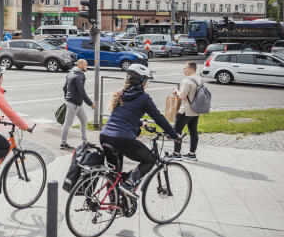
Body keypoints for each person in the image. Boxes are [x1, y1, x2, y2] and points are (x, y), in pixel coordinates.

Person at [100, 64, 179, 197]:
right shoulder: (144, 98)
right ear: (142, 80)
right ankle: (129, 183)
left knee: (114, 172)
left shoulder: (122, 93)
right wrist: (174, 134)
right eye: (146, 80)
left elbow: (123, 116)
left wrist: (140, 122)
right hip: (122, 138)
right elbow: (159, 118)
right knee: (150, 160)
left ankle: (113, 204)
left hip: (105, 135)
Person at [60, 59, 95, 150]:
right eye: (86, 65)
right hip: (74, 103)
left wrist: (67, 98)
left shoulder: (70, 73)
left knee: (84, 120)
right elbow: (81, 91)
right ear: (80, 65)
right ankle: (63, 143)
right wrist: (90, 103)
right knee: (68, 123)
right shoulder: (79, 76)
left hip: (75, 103)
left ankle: (85, 141)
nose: (87, 67)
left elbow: (64, 88)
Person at [172, 62, 201, 161]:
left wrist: (176, 91)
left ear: (191, 69)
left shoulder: (186, 81)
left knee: (177, 131)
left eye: (185, 68)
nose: (183, 70)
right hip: (196, 110)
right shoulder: (200, 79)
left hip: (185, 110)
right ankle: (192, 154)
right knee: (193, 131)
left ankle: (176, 153)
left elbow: (182, 96)